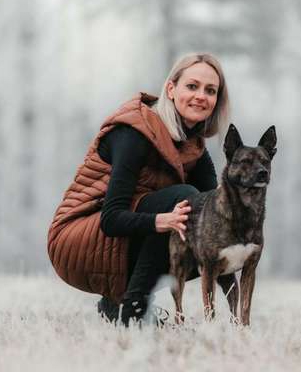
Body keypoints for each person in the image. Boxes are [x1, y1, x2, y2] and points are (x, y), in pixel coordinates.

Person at [47, 53, 230, 326]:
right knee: (185, 202)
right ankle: (134, 310)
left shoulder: (193, 146)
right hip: (76, 238)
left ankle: (116, 304)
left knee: (211, 219)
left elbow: (218, 219)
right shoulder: (135, 132)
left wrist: (240, 314)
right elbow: (111, 219)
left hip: (122, 240)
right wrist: (161, 221)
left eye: (210, 90)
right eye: (192, 86)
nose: (201, 96)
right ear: (171, 89)